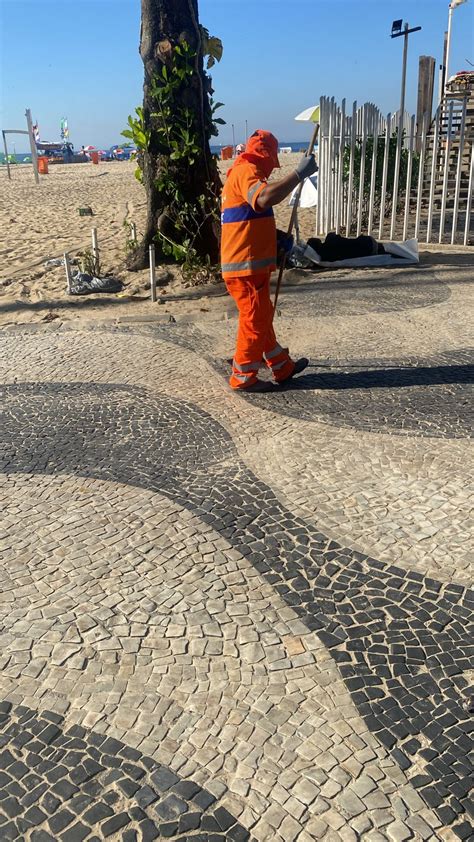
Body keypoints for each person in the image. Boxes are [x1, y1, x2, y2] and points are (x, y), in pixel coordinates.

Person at [221, 129, 317, 392]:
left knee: (261, 317)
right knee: (254, 319)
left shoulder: (242, 174)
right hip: (245, 267)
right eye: (270, 163)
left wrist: (275, 240)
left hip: (248, 264)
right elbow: (263, 199)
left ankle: (281, 366)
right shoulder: (246, 171)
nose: (270, 170)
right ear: (264, 156)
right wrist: (298, 175)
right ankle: (243, 378)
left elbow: (245, 221)